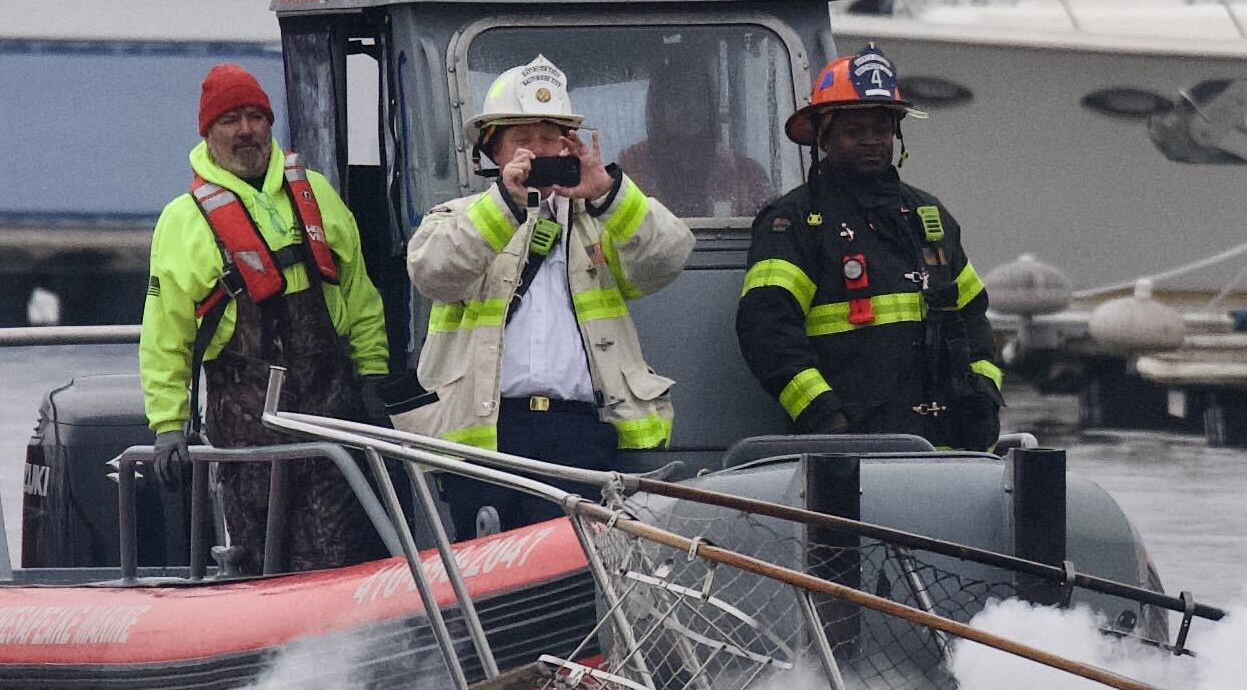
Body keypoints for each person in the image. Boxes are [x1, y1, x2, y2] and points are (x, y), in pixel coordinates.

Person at [402, 56, 695, 526]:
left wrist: (608, 192)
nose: (536, 152)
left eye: (549, 139)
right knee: (489, 585)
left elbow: (669, 257)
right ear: (493, 153)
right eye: (521, 140)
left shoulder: (602, 219)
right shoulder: (458, 216)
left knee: (578, 579)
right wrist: (507, 204)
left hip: (578, 433)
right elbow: (433, 273)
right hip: (486, 437)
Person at [138, 62, 390, 574]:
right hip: (245, 418)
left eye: (256, 116)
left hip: (330, 404)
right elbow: (166, 334)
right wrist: (168, 424)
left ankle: (354, 642)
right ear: (208, 133)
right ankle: (269, 645)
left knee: (344, 547)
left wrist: (374, 377)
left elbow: (359, 295)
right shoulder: (182, 221)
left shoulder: (316, 193)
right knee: (259, 554)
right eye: (231, 120)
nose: (247, 130)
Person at [740, 47, 1002, 448]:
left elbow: (974, 318)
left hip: (945, 449)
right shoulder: (793, 222)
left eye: (880, 129)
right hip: (849, 454)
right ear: (824, 136)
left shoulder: (928, 216)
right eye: (854, 130)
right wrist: (823, 416)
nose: (871, 141)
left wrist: (983, 397)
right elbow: (767, 330)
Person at [614, 46, 773, 217]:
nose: (689, 108)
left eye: (698, 97)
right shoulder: (630, 172)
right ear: (658, 108)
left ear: (711, 106)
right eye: (677, 98)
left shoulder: (745, 174)